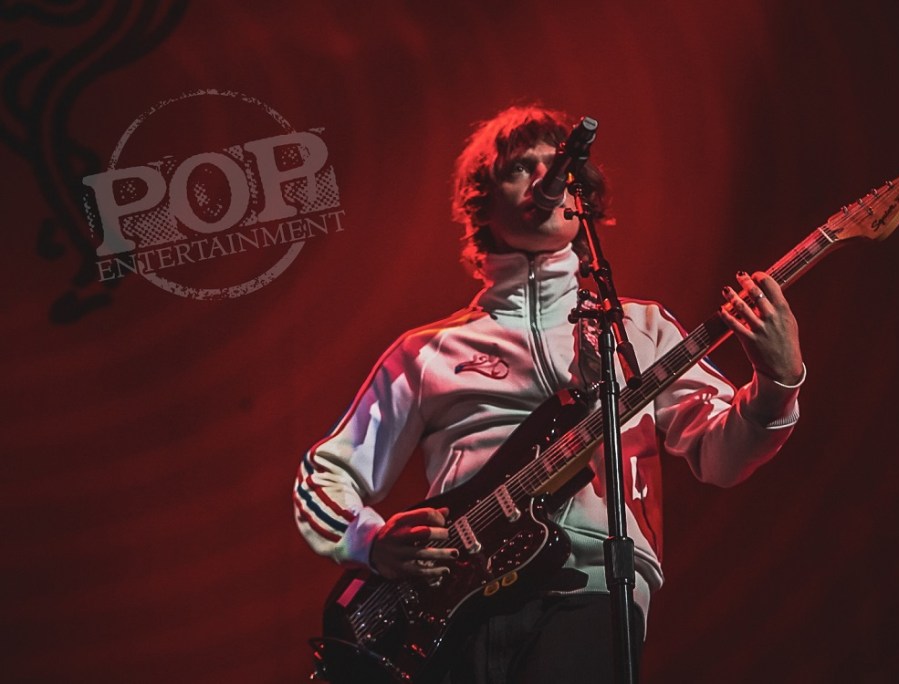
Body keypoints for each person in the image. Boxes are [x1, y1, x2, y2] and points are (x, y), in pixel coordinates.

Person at [293, 105, 805, 683]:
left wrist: (777, 384)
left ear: (581, 199)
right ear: (482, 202)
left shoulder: (638, 328)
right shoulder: (428, 350)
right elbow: (324, 476)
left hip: (594, 584)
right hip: (452, 604)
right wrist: (370, 541)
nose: (546, 177)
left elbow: (722, 455)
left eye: (558, 165)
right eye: (520, 167)